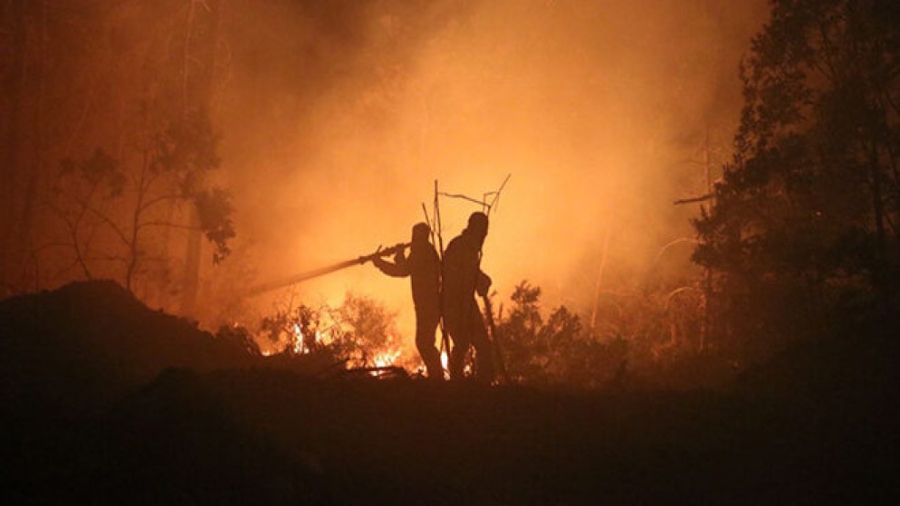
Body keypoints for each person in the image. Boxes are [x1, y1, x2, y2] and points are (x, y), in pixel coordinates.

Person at [371, 222, 443, 380]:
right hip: (429, 304)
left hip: (428, 305)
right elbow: (407, 267)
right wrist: (400, 254)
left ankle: (437, 378)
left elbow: (402, 271)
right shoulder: (426, 251)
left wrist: (380, 263)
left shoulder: (422, 251)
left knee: (424, 343)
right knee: (426, 342)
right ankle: (437, 377)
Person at [441, 211, 494, 382]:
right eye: (483, 232)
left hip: (464, 303)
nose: (484, 236)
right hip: (454, 303)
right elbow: (459, 275)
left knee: (480, 344)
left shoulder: (466, 247)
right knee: (463, 343)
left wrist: (481, 280)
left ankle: (479, 383)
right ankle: (460, 382)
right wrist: (481, 280)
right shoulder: (461, 247)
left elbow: (470, 273)